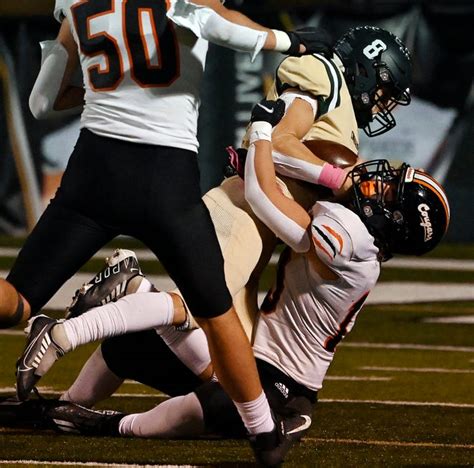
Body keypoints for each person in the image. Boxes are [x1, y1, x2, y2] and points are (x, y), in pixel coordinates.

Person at [8, 100, 450, 467]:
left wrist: (260, 132)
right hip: (250, 350)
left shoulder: (351, 243)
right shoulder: (358, 239)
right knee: (137, 343)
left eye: (389, 194)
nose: (379, 183)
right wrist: (264, 165)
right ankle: (60, 410)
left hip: (283, 383)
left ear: (395, 224)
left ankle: (109, 417)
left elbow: (265, 198)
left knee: (219, 389)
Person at [1, 1, 337, 464]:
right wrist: (289, 42)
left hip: (93, 172)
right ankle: (265, 436)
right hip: (163, 175)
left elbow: (41, 103)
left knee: (15, 301)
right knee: (217, 312)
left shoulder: (75, 2)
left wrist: (114, 86)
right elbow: (219, 24)